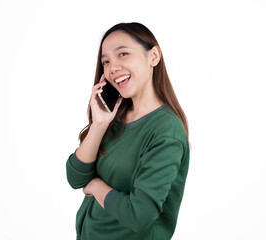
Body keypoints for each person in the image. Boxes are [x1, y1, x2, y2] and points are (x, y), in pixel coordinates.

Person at [66, 22, 189, 240]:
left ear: (153, 57)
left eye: (123, 54)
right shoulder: (115, 116)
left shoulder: (165, 131)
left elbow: (139, 215)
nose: (112, 67)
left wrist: (95, 186)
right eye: (106, 61)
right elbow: (75, 177)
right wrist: (99, 124)